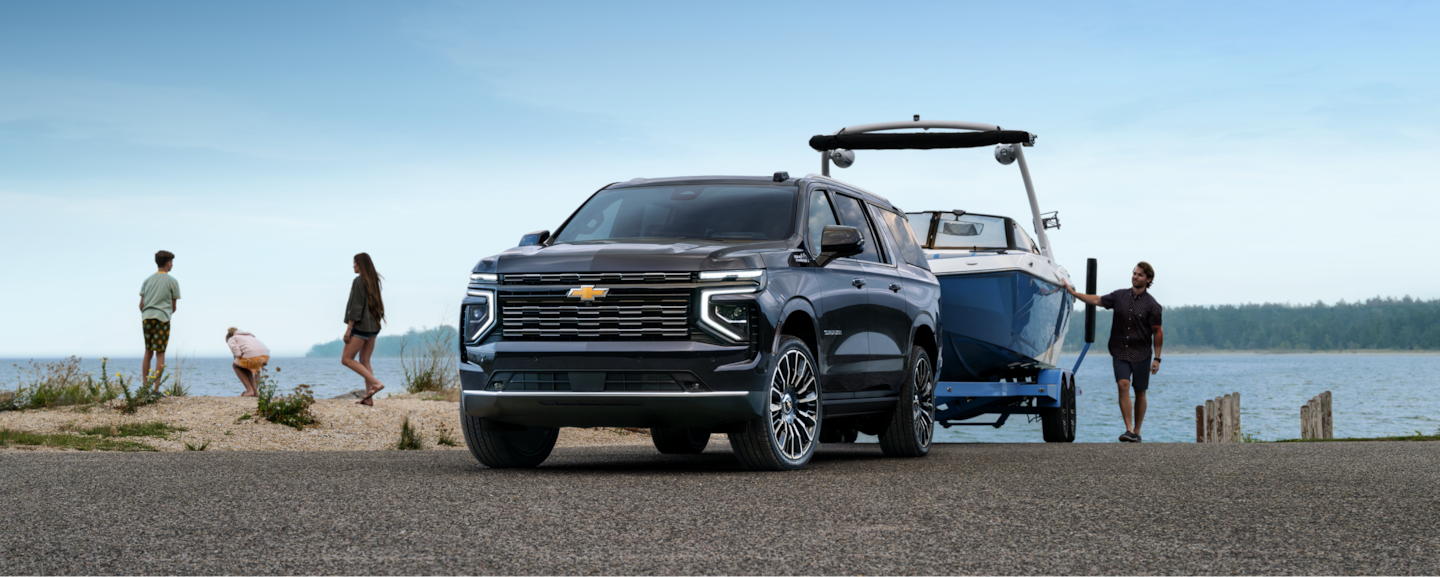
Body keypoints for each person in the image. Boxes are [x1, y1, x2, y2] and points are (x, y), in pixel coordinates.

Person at [1064, 262, 1164, 443]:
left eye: (1140, 275)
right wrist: (1073, 293)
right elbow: (1096, 300)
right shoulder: (1119, 296)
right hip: (1119, 351)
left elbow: (1158, 331)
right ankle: (1128, 429)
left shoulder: (1153, 305)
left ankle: (1137, 432)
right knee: (1123, 385)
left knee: (1140, 392)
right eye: (1134, 273)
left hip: (1142, 353)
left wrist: (1157, 358)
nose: (1135, 277)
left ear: (1148, 279)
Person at [343, 252, 386, 406]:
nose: (353, 265)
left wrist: (349, 328)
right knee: (365, 360)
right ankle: (368, 398)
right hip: (374, 325)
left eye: (354, 262)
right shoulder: (373, 280)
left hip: (361, 326)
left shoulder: (358, 281)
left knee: (346, 359)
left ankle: (375, 383)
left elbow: (356, 307)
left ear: (360, 264)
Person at [139, 250, 181, 391]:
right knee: (160, 353)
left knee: (148, 351)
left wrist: (148, 313)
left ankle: (144, 388)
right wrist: (165, 312)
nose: (172, 265)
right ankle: (156, 389)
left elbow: (141, 305)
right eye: (172, 263)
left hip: (147, 318)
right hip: (162, 318)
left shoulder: (147, 280)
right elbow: (173, 307)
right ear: (168, 263)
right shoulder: (173, 282)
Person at [226, 328, 270, 397]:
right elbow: (257, 372)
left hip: (251, 355)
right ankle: (255, 391)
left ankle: (249, 391)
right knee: (245, 366)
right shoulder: (249, 337)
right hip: (265, 355)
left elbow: (238, 354)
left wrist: (235, 356)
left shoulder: (231, 339)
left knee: (235, 365)